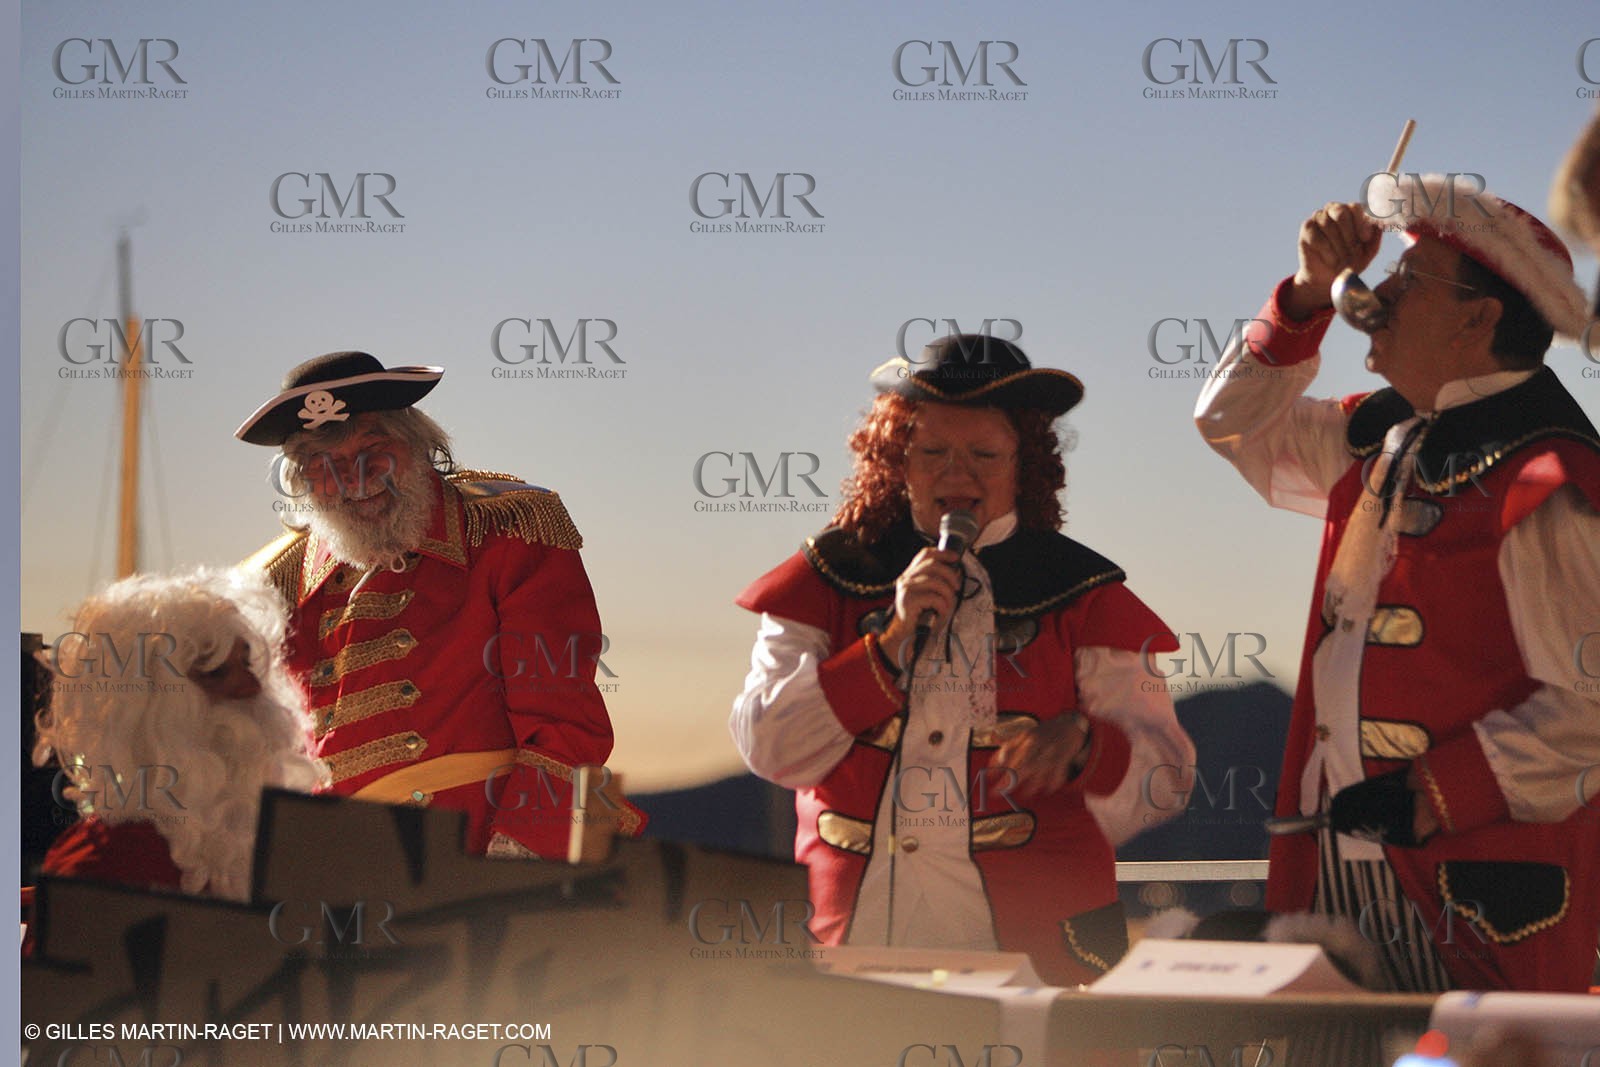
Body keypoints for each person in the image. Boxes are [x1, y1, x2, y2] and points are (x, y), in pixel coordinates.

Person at [1194, 174, 1600, 992]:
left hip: (1477, 893)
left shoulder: (1551, 476)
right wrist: (1306, 293)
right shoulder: (1384, 434)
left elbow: (1589, 703)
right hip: (1341, 870)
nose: (1376, 297)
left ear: (1478, 319)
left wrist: (1434, 792)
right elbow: (1232, 423)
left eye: (1408, 282)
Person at [731, 335, 1194, 985]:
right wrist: (889, 644)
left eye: (984, 454)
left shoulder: (1083, 593)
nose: (958, 475)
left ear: (1025, 465)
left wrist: (1088, 746)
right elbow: (770, 745)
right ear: (895, 460)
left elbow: (1165, 779)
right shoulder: (827, 577)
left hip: (1041, 958)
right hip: (853, 950)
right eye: (933, 452)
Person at [236, 351, 642, 859]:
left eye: (373, 448)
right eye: (324, 464)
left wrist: (520, 862)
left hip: (477, 850)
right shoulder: (277, 581)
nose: (354, 477)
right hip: (332, 863)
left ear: (418, 443)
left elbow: (567, 728)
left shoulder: (506, 527)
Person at [35, 568, 326, 901]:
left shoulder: (296, 846)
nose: (252, 687)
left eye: (248, 664)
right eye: (216, 672)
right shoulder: (98, 868)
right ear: (143, 707)